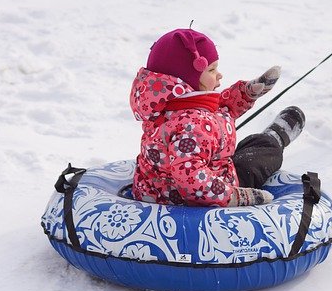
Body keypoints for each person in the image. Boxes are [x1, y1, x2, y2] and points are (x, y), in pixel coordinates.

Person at [130, 28, 305, 207]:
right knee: (257, 157)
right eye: (212, 70)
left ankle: (264, 140)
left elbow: (218, 110)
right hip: (195, 199)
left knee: (240, 150)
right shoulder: (193, 125)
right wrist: (238, 196)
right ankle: (275, 137)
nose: (219, 74)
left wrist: (247, 93)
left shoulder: (168, 105)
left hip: (156, 188)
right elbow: (191, 179)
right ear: (188, 78)